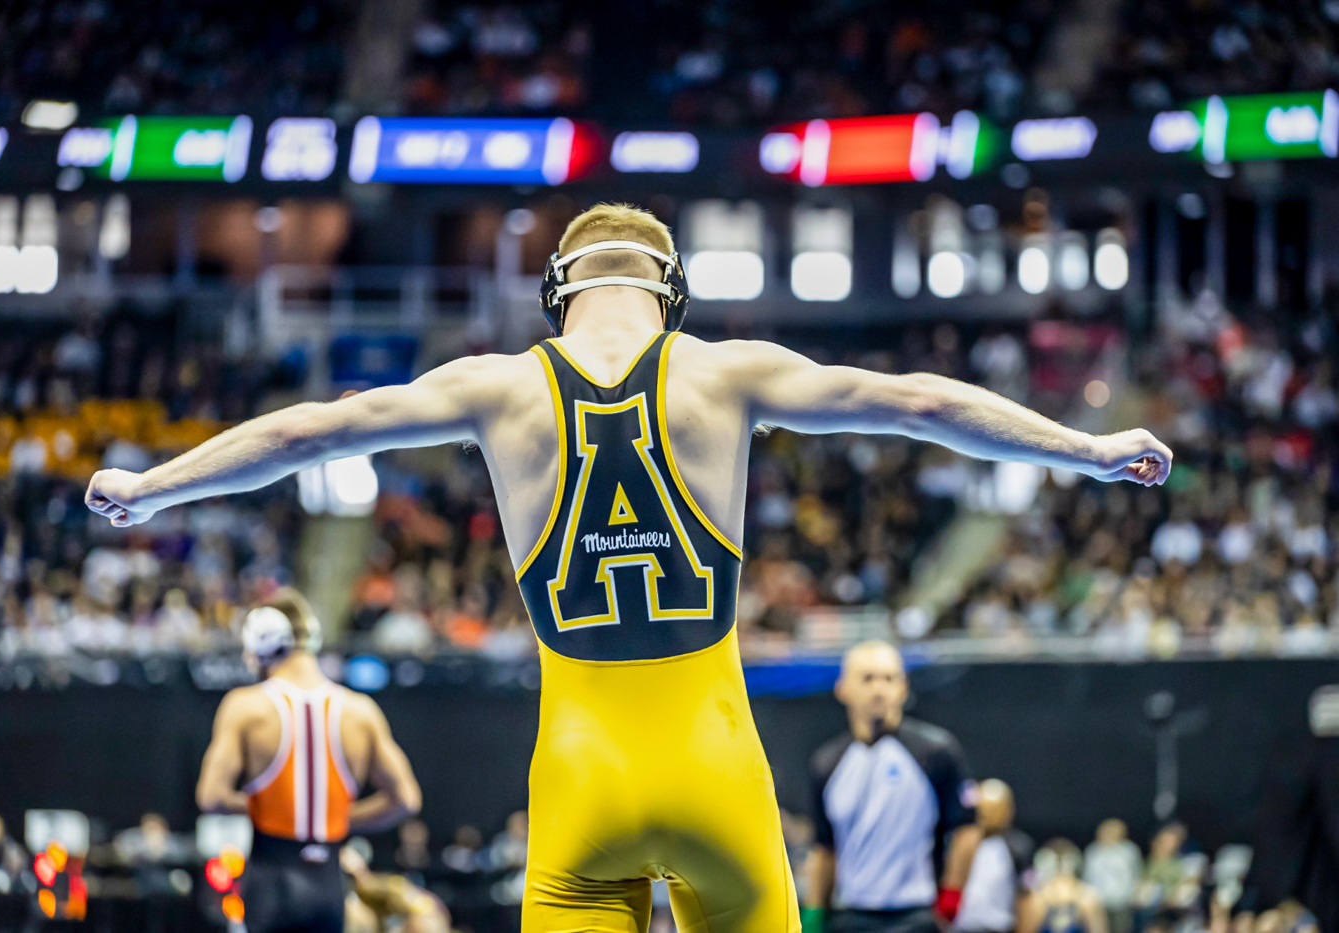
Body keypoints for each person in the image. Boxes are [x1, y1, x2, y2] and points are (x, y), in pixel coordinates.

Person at [87, 202, 1172, 933]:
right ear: (671, 288)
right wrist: (1085, 449)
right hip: (716, 770)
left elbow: (307, 431)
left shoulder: (495, 387)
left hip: (580, 777)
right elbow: (921, 404)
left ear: (557, 289)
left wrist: (151, 487)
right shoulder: (726, 373)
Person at [194, 587, 422, 933]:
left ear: (262, 639)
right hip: (329, 888)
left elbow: (211, 797)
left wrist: (269, 807)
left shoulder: (246, 707)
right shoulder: (361, 712)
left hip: (272, 885)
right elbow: (406, 800)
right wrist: (334, 817)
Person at [804, 641, 980, 933]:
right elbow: (824, 847)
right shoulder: (826, 763)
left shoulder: (935, 752)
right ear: (842, 688)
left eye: (889, 678)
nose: (879, 689)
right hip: (850, 917)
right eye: (868, 678)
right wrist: (815, 911)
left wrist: (951, 897)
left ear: (904, 688)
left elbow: (967, 829)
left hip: (915, 916)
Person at [954, 780, 1035, 933]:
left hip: (999, 926)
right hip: (964, 926)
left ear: (1008, 811)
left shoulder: (1018, 847)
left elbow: (1026, 896)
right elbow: (953, 883)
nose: (988, 815)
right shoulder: (965, 841)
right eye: (984, 809)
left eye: (995, 809)